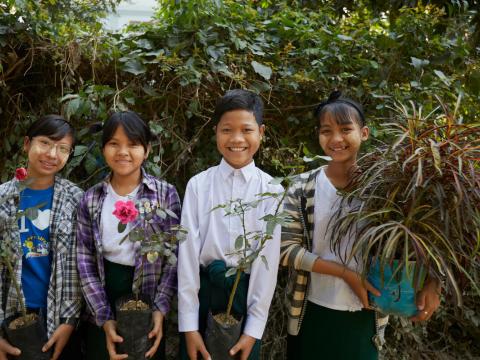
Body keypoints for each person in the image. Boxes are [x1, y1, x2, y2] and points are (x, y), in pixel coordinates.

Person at [280, 91, 441, 359]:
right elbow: (286, 251)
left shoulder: (388, 189)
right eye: (326, 131)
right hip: (310, 312)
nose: (336, 139)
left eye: (346, 129)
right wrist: (346, 274)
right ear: (318, 135)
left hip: (366, 314)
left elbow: (425, 240)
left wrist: (433, 283)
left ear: (364, 133)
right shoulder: (301, 187)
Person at [178, 89, 283, 360]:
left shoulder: (271, 190)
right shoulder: (199, 185)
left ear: (261, 132)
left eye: (246, 130)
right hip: (204, 294)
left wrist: (254, 329)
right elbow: (187, 256)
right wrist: (189, 326)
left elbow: (267, 266)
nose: (236, 139)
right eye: (227, 130)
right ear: (216, 132)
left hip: (245, 299)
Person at [76, 111, 180, 360]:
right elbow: (85, 261)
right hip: (102, 296)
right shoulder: (90, 199)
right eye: (114, 143)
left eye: (133, 144)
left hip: (148, 301)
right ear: (103, 150)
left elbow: (173, 255)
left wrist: (160, 308)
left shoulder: (165, 195)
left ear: (147, 150)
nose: (123, 151)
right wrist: (104, 316)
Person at [0, 115, 84, 360]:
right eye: (45, 143)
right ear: (27, 144)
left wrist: (69, 321)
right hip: (10, 314)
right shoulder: (3, 197)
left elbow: (77, 266)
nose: (52, 154)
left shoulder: (76, 199)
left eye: (62, 148)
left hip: (58, 313)